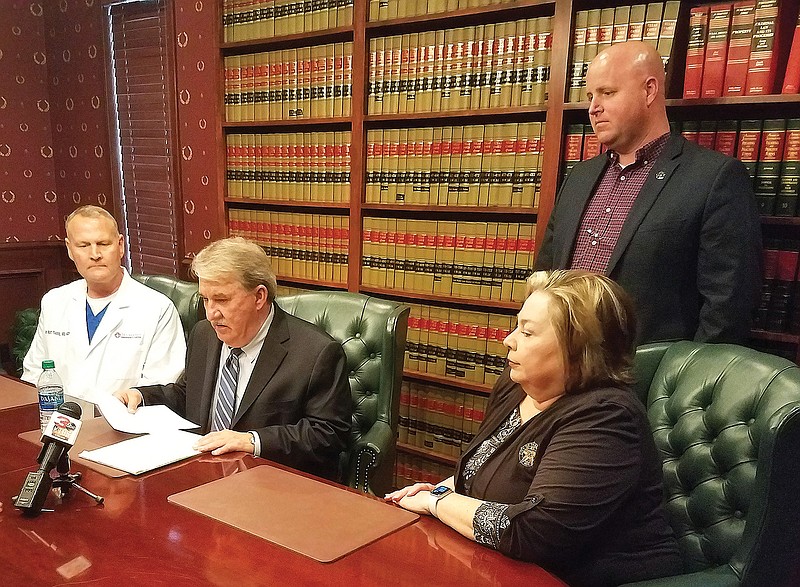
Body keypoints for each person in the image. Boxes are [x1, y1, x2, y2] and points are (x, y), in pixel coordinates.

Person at [386, 270, 681, 587]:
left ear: (579, 348)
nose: (508, 340)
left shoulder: (607, 418)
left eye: (527, 333)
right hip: (499, 568)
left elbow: (534, 532)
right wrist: (442, 488)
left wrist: (438, 502)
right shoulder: (518, 386)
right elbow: (480, 469)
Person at [536, 40, 761, 345]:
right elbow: (545, 275)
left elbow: (726, 309)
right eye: (590, 96)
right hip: (561, 369)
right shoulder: (579, 176)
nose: (593, 108)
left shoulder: (714, 178)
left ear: (649, 91)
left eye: (607, 92)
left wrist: (679, 387)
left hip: (646, 380)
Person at [113, 237, 352, 481]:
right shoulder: (204, 334)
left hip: (274, 486)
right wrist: (143, 396)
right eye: (205, 299)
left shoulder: (316, 352)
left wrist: (252, 440)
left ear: (259, 297)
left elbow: (329, 434)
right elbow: (189, 395)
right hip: (203, 477)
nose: (211, 313)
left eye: (222, 300)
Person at [22, 205, 186, 406]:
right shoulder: (54, 302)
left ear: (120, 245)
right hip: (60, 424)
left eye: (103, 243)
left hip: (126, 427)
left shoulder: (158, 308)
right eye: (83, 245)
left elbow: (162, 388)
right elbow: (35, 375)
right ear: (69, 249)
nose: (95, 254)